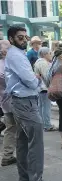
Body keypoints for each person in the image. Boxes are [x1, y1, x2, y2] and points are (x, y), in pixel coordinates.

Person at [5, 26, 59, 181]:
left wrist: (32, 79)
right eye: (20, 38)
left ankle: (25, 178)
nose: (24, 40)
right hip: (25, 101)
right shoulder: (15, 55)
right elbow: (30, 79)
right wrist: (36, 81)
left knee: (22, 141)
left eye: (25, 38)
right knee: (35, 143)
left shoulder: (16, 54)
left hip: (21, 101)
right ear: (12, 39)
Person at [0, 39, 17, 167]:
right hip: (11, 101)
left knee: (11, 128)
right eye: (8, 47)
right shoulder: (3, 64)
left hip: (7, 102)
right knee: (14, 128)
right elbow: (8, 82)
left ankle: (8, 155)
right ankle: (8, 155)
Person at [34, 47, 56, 132]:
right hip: (45, 88)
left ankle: (43, 124)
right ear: (45, 54)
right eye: (50, 53)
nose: (51, 55)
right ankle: (47, 125)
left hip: (41, 88)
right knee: (46, 107)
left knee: (41, 107)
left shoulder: (39, 62)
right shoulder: (43, 63)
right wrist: (51, 87)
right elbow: (47, 77)